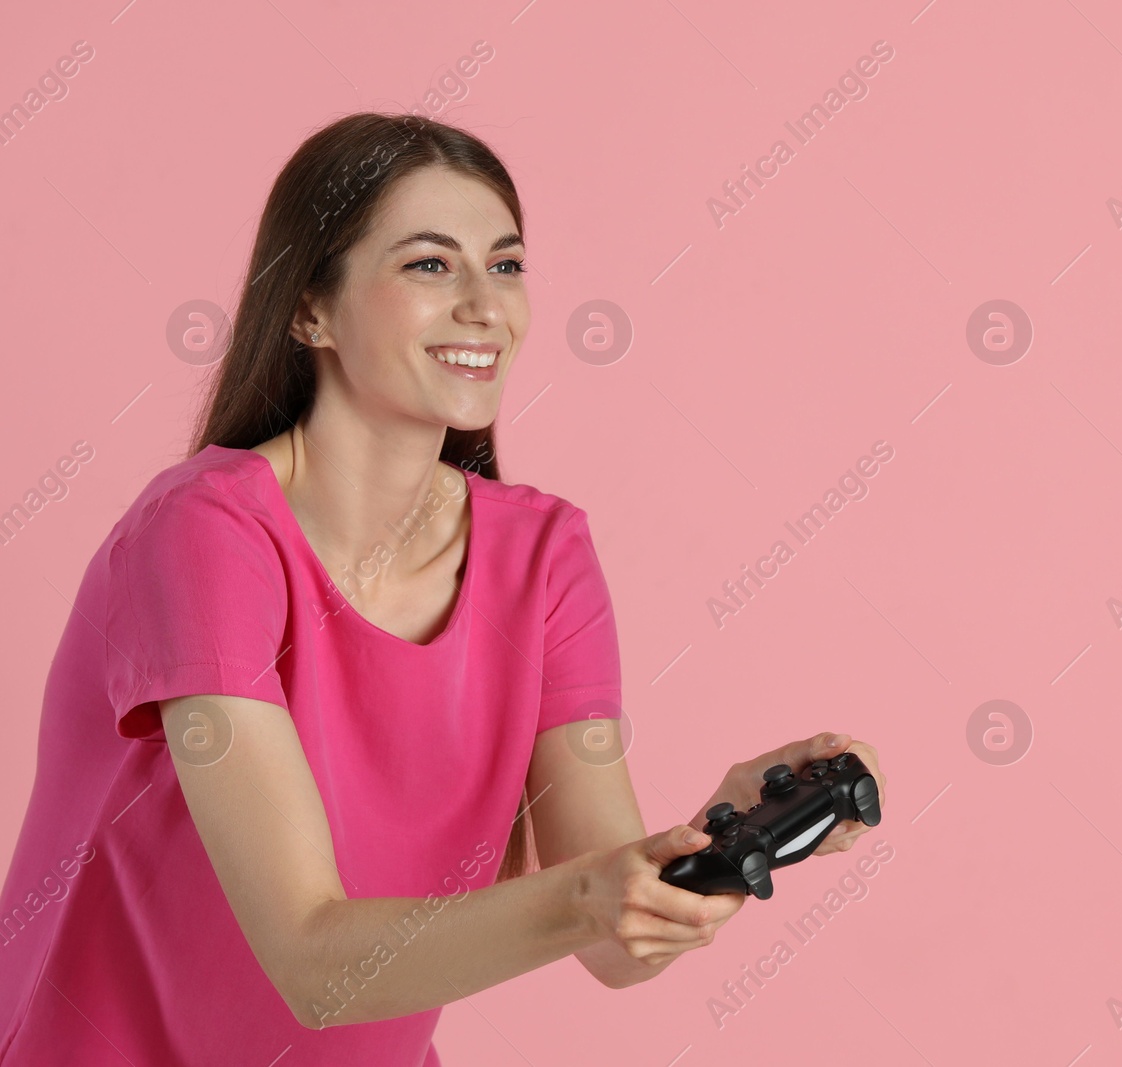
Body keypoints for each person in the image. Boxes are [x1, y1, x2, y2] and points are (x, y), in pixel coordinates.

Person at [0, 112, 885, 1065]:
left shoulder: (543, 554)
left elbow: (612, 950)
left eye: (505, 266)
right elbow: (312, 959)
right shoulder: (205, 533)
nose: (484, 305)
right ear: (309, 309)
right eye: (430, 265)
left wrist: (706, 850)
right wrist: (592, 891)